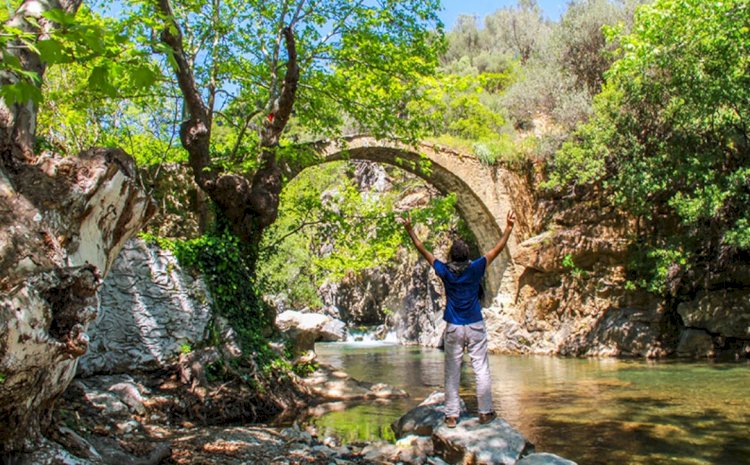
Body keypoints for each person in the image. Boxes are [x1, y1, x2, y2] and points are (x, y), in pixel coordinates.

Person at [398, 211, 515, 428]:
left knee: (452, 370)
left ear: (451, 256)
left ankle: (451, 416)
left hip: (453, 325)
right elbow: (496, 250)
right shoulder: (476, 267)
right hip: (475, 323)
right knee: (481, 368)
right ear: (467, 255)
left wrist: (410, 230)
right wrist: (508, 228)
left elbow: (424, 251)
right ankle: (485, 412)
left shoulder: (445, 270)